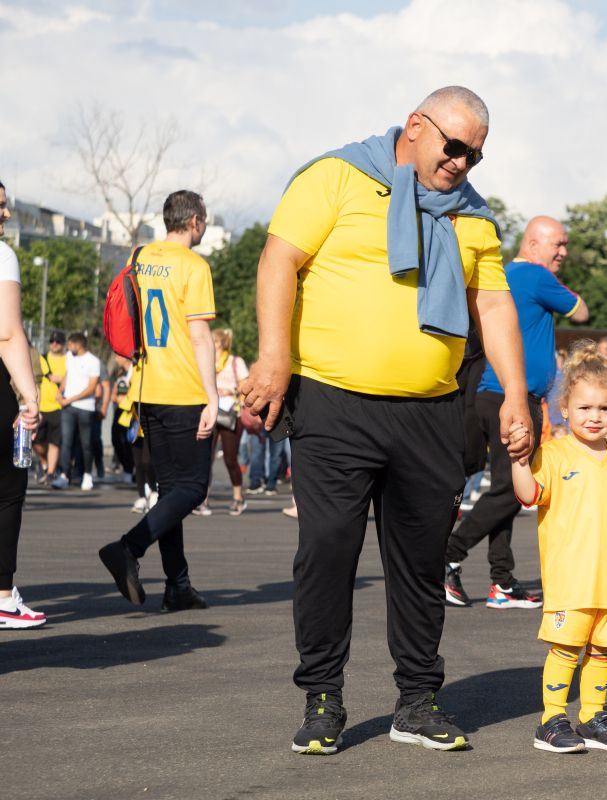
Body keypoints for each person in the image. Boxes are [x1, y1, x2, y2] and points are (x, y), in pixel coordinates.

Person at [239, 86, 533, 756]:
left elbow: (492, 305)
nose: (461, 163)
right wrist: (274, 357)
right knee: (327, 551)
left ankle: (418, 701)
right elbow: (279, 260)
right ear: (415, 126)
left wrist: (514, 391)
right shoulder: (336, 177)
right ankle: (322, 698)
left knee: (421, 564)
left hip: (432, 412)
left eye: (475, 156)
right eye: (453, 146)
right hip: (334, 404)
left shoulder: (474, 217)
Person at [511, 341, 607, 753]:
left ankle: (592, 717)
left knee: (602, 650)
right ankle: (550, 719)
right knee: (566, 648)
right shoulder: (553, 454)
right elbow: (528, 494)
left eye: (604, 408)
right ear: (565, 408)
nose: (595, 417)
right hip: (571, 578)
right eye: (585, 408)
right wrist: (517, 460)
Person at [444, 215, 587, 608]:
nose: (563, 252)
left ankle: (501, 581)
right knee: (514, 491)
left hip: (493, 396)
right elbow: (580, 310)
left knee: (504, 489)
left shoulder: (505, 274)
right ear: (533, 243)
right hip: (514, 399)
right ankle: (450, 554)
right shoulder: (537, 277)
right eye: (557, 244)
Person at [97, 189, 218, 614]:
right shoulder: (194, 266)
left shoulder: (138, 255)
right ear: (196, 221)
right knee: (192, 488)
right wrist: (213, 397)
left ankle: (178, 585)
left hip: (146, 387)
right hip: (183, 389)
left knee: (170, 490)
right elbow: (201, 336)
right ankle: (128, 547)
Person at [0, 177, 46, 628]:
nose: (7, 214)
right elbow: (9, 332)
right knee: (7, 490)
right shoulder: (2, 254)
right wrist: (30, 397)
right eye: (0, 205)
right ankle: (1, 595)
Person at [210, 328, 248, 516]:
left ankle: (238, 497)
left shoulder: (235, 362)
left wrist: (230, 391)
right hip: (211, 412)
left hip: (230, 413)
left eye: (213, 341)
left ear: (221, 343)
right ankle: (202, 499)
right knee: (204, 459)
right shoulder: (206, 362)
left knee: (230, 458)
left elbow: (245, 386)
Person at [57, 332, 101, 490]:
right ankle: (63, 475)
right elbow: (67, 376)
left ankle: (87, 475)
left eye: (70, 344)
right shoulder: (70, 356)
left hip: (85, 408)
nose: (68, 347)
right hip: (68, 408)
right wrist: (60, 391)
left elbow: (91, 388)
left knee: (86, 443)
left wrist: (70, 399)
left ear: (79, 344)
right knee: (66, 442)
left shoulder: (93, 361)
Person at [35, 331, 66, 486]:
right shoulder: (42, 358)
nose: (54, 344)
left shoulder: (69, 360)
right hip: (41, 406)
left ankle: (51, 473)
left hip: (58, 407)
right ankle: (44, 462)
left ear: (63, 344)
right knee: (36, 442)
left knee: (55, 442)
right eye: (52, 340)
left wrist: (62, 380)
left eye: (58, 341)